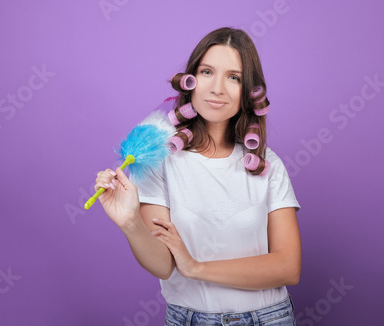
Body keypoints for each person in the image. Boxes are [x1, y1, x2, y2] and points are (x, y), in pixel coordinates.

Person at [94, 27, 301, 326]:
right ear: (190, 81)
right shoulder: (159, 162)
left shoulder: (267, 165)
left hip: (268, 318)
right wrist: (130, 224)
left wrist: (195, 267)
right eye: (207, 72)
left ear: (248, 93)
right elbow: (164, 265)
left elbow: (288, 267)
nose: (217, 88)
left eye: (234, 77)